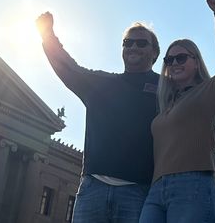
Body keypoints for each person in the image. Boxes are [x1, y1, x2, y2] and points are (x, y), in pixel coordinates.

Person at [36, 13, 161, 223]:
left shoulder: (166, 88)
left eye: (141, 43)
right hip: (93, 190)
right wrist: (47, 34)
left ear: (154, 53)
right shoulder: (101, 84)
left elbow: (193, 112)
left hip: (139, 192)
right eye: (128, 43)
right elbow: (68, 68)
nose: (133, 47)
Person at [139, 0, 215, 223]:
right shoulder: (165, 103)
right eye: (169, 60)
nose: (174, 63)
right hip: (156, 191)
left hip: (192, 185)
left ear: (196, 62)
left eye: (181, 58)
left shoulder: (209, 91)